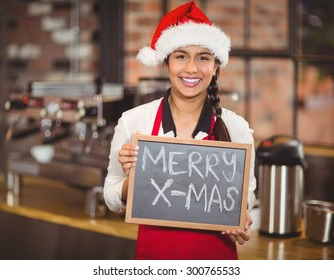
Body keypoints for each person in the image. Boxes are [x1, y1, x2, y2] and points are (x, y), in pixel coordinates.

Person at [104, 1, 256, 260]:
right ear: (166, 64)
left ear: (216, 66)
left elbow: (247, 197)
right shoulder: (134, 121)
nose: (192, 68)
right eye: (181, 56)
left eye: (204, 57)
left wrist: (241, 217)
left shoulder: (237, 128)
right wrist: (135, 182)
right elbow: (111, 196)